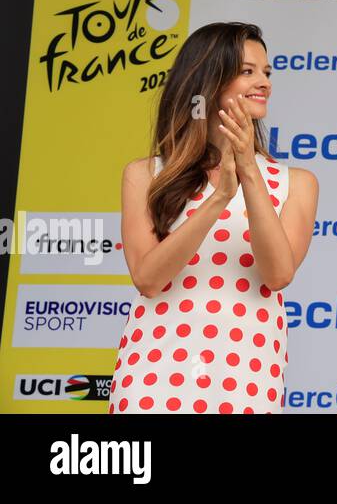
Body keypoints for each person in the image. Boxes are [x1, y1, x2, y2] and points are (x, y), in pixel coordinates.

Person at [110, 22, 319, 414]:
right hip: (154, 371)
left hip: (246, 373)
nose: (265, 83)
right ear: (209, 80)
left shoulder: (297, 183)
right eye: (248, 71)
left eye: (267, 73)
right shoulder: (145, 174)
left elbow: (277, 275)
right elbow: (148, 278)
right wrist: (221, 195)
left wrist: (248, 174)